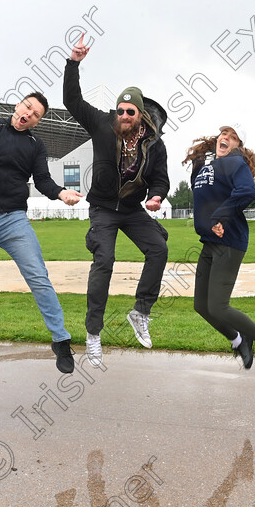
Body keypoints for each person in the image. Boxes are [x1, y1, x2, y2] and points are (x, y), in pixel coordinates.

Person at [64, 35, 170, 366]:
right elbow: (72, 101)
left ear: (139, 114)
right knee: (104, 261)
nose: (124, 115)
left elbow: (161, 179)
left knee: (159, 249)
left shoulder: (154, 144)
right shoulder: (102, 123)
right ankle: (93, 335)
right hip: (103, 210)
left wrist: (156, 196)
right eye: (121, 110)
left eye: (130, 111)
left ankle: (141, 312)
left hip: (133, 210)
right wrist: (74, 63)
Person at [0, 92, 83, 376]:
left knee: (38, 278)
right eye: (27, 107)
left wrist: (61, 192)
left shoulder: (35, 145)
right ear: (18, 105)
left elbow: (42, 180)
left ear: (37, 122)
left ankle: (61, 341)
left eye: (36, 114)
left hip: (13, 219)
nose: (29, 114)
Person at [184, 127, 255, 376]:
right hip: (209, 242)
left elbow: (247, 191)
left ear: (238, 145)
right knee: (201, 306)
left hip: (229, 242)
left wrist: (220, 215)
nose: (224, 138)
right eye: (222, 134)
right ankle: (239, 341)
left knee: (219, 307)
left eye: (231, 137)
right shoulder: (205, 165)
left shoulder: (235, 162)